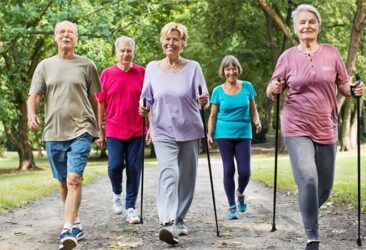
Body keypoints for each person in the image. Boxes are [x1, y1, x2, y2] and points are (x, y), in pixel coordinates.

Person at [266, 4, 365, 250]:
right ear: (295, 28)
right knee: (308, 179)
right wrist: (273, 89)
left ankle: (306, 206)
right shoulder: (287, 57)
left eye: (311, 22)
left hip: (326, 126)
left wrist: (353, 91)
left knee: (325, 187)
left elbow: (343, 85)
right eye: (302, 22)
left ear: (318, 26)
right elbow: (272, 88)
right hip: (296, 125)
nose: (307, 26)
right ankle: (312, 235)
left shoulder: (331, 53)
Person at [27, 20, 101, 250]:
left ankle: (67, 228)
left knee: (74, 179)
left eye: (70, 32)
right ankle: (75, 220)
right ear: (55, 37)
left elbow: (95, 99)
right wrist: (31, 114)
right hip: (53, 131)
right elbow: (35, 95)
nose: (66, 35)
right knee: (62, 183)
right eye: (61, 32)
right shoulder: (45, 66)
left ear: (77, 38)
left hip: (81, 129)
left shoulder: (87, 65)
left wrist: (98, 128)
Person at [139, 22, 209, 245]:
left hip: (189, 128)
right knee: (169, 173)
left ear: (183, 43)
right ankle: (167, 222)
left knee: (186, 178)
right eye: (167, 39)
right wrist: (143, 111)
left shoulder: (193, 67)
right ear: (162, 41)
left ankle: (179, 219)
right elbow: (146, 100)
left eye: (176, 39)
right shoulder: (152, 68)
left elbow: (203, 98)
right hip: (162, 129)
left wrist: (203, 101)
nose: (171, 43)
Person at [96, 36, 145, 224]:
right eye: (122, 50)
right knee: (114, 166)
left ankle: (131, 207)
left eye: (129, 50)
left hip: (137, 129)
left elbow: (149, 100)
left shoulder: (142, 72)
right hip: (114, 129)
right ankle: (117, 192)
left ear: (133, 51)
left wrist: (150, 125)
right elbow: (101, 103)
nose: (126, 54)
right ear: (116, 52)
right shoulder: (107, 74)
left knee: (134, 168)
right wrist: (100, 131)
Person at [207, 55, 261, 220]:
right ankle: (231, 206)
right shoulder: (217, 91)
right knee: (228, 169)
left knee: (245, 171)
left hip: (244, 133)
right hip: (224, 134)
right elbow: (212, 116)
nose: (231, 72)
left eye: (233, 68)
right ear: (223, 71)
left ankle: (240, 192)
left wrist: (257, 121)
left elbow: (253, 109)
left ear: (238, 69)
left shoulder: (247, 87)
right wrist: (209, 134)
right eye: (227, 69)